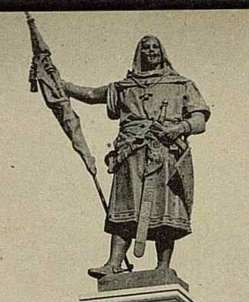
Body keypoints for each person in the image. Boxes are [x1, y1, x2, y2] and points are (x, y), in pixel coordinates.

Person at [63, 35, 210, 278]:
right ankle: (113, 263)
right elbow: (90, 95)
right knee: (125, 207)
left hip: (165, 152)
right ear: (139, 53)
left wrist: (179, 128)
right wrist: (60, 83)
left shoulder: (181, 84)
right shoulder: (125, 87)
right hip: (130, 154)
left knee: (164, 210)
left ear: (162, 52)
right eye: (146, 48)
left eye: (155, 47)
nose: (151, 51)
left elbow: (199, 120)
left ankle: (162, 267)